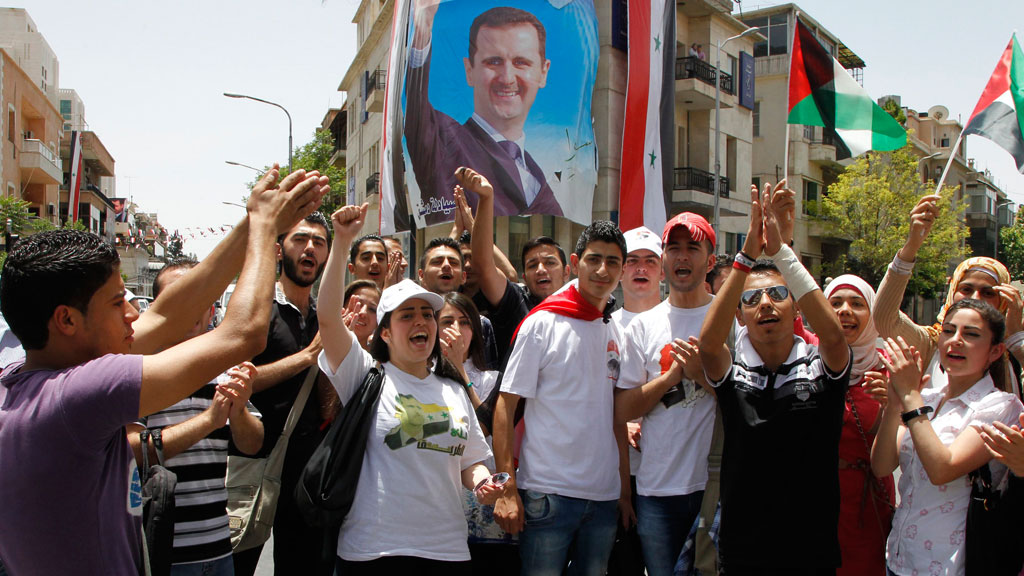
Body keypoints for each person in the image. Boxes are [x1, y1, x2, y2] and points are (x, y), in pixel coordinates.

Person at [0, 167, 327, 576]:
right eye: (118, 302)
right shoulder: (81, 391)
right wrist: (263, 231)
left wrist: (255, 219)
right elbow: (242, 335)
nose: (134, 312)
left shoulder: (24, 377)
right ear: (67, 320)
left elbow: (169, 314)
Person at [318, 203, 504, 574]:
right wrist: (340, 244)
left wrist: (484, 483)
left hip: (448, 551)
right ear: (384, 333)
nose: (421, 322)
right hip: (374, 552)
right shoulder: (365, 375)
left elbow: (471, 462)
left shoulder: (453, 388)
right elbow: (327, 317)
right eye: (407, 315)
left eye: (426, 314)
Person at [699, 182, 851, 575]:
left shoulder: (820, 367)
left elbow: (833, 334)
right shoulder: (733, 373)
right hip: (744, 551)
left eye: (777, 294)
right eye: (750, 300)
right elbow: (708, 347)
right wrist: (746, 256)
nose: (765, 304)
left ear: (795, 307)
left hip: (810, 552)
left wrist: (781, 251)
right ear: (739, 315)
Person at [493, 218, 630, 576]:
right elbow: (505, 407)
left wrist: (624, 491)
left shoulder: (615, 327)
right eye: (594, 259)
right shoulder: (543, 324)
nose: (603, 270)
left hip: (603, 498)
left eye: (613, 262)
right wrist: (507, 489)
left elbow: (615, 415)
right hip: (547, 495)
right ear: (575, 262)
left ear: (622, 269)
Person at [128, 260, 265, 575]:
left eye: (200, 296)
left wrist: (240, 409)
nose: (191, 306)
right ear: (159, 307)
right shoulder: (138, 371)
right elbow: (133, 452)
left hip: (218, 547)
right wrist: (207, 421)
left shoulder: (225, 369)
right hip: (159, 550)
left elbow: (252, 444)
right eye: (180, 296)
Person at [871, 299, 1024, 576]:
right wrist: (894, 406)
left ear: (995, 351)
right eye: (949, 331)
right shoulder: (927, 398)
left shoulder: (1000, 406)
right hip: (900, 556)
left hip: (951, 564)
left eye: (971, 334)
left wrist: (909, 397)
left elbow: (943, 469)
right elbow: (882, 466)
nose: (955, 341)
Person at [232, 212, 337, 576]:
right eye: (301, 239)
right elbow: (235, 380)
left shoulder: (327, 318)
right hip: (254, 463)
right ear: (279, 250)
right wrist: (306, 358)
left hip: (306, 473)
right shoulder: (257, 311)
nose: (310, 248)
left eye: (319, 243)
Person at [615, 214, 717, 576]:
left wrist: (702, 378)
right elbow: (622, 408)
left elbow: (744, 401)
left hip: (713, 490)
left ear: (711, 260)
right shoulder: (643, 326)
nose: (682, 257)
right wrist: (672, 377)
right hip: (655, 491)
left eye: (693, 248)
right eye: (674, 248)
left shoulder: (730, 319)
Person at [407, 2, 562, 224]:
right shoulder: (442, 141)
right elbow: (415, 108)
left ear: (543, 71)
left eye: (521, 62)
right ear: (469, 70)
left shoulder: (538, 176)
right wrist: (422, 33)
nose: (507, 77)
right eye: (494, 62)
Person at [873, 195, 1024, 389]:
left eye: (988, 293)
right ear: (952, 292)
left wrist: (1016, 338)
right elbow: (885, 318)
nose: (975, 299)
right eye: (966, 289)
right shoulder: (932, 344)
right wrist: (911, 246)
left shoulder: (1011, 350)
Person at [438, 291, 518, 575]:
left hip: (484, 506)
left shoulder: (492, 379)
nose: (456, 330)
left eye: (465, 322)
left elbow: (480, 428)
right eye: (447, 321)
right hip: (440, 514)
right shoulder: (420, 377)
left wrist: (459, 367)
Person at [822, 275, 894, 576]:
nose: (845, 310)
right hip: (819, 495)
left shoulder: (888, 367)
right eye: (835, 303)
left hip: (869, 502)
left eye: (857, 303)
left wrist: (894, 404)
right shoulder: (808, 361)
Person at [459, 167, 569, 363]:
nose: (541, 269)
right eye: (533, 265)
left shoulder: (584, 311)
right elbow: (484, 265)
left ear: (567, 271)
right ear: (524, 277)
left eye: (550, 262)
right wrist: (486, 198)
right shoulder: (516, 303)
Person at [607, 226, 663, 576]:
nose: (640, 269)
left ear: (663, 269)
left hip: (670, 475)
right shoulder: (602, 326)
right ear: (621, 270)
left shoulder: (681, 322)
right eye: (632, 261)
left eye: (650, 261)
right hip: (614, 475)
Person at [417, 236, 499, 368]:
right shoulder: (410, 322)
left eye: (453, 263)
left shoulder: (481, 324)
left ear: (463, 277)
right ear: (421, 275)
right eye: (437, 262)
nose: (446, 266)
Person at [342, 279, 381, 352]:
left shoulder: (380, 361)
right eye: (357, 304)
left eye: (372, 309)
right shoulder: (322, 345)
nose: (363, 312)